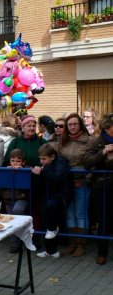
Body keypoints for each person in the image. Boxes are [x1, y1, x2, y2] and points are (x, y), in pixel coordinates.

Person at [58, 113, 97, 257]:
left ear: (80, 125)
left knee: (80, 214)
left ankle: (81, 245)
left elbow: (93, 164)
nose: (73, 127)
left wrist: (86, 179)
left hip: (82, 183)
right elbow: (59, 161)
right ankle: (72, 243)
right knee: (69, 213)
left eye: (75, 124)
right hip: (67, 183)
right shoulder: (63, 141)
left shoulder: (90, 141)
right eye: (70, 125)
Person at [33, 144, 71, 258]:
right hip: (49, 195)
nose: (41, 161)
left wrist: (43, 171)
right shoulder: (46, 164)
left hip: (61, 196)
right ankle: (52, 251)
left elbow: (57, 178)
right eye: (40, 159)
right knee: (47, 221)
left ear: (52, 157)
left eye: (44, 159)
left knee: (49, 213)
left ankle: (54, 233)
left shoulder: (61, 163)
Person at [84, 113, 113, 264]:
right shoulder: (97, 142)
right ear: (108, 128)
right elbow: (87, 162)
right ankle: (102, 253)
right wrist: (103, 152)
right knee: (104, 220)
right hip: (103, 186)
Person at [0, 149, 30, 216]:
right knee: (11, 217)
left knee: (17, 210)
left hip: (22, 197)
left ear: (23, 162)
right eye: (12, 161)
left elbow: (27, 181)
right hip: (8, 198)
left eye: (18, 161)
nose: (15, 163)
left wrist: (22, 170)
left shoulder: (27, 169)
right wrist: (6, 172)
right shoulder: (6, 169)